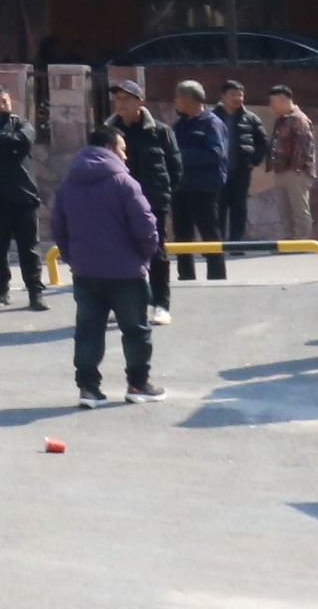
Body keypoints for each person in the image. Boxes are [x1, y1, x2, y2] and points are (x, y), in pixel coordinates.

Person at [51, 121, 164, 407]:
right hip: (126, 272)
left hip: (86, 272)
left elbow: (59, 228)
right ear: (110, 148)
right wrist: (144, 255)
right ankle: (137, 384)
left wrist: (73, 259)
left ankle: (88, 388)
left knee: (88, 331)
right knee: (135, 330)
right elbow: (146, 226)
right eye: (122, 150)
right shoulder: (124, 182)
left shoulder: (69, 184)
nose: (125, 156)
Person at [0, 83, 47, 312]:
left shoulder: (21, 123)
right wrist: (5, 144)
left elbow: (24, 140)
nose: (2, 105)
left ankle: (36, 293)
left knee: (29, 248)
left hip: (23, 197)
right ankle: (0, 292)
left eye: (5, 101)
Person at [109, 81, 182, 323]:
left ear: (141, 102)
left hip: (153, 203)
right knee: (120, 253)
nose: (121, 103)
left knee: (156, 253)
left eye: (126, 98)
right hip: (118, 203)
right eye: (118, 98)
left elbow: (175, 168)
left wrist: (163, 195)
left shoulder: (160, 131)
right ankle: (124, 304)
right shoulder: (108, 132)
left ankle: (161, 304)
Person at [170, 80, 231, 284]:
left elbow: (215, 153)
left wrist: (181, 156)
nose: (176, 101)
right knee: (182, 234)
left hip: (204, 188)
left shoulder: (212, 123)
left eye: (178, 97)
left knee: (209, 233)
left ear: (188, 98)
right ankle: (186, 276)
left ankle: (216, 276)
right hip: (181, 188)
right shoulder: (180, 125)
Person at [217, 82, 270, 241]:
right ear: (223, 96)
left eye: (240, 95)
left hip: (240, 171)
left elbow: (263, 143)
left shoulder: (251, 118)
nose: (237, 98)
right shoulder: (212, 117)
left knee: (239, 208)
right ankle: (216, 245)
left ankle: (237, 244)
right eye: (233, 94)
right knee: (218, 209)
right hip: (218, 172)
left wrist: (254, 161)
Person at [267, 86, 317, 241]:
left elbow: (303, 147)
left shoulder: (299, 119)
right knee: (284, 209)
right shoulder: (281, 120)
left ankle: (302, 240)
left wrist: (295, 168)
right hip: (281, 170)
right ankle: (288, 241)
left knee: (299, 209)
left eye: (273, 101)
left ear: (283, 100)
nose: (271, 105)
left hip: (296, 172)